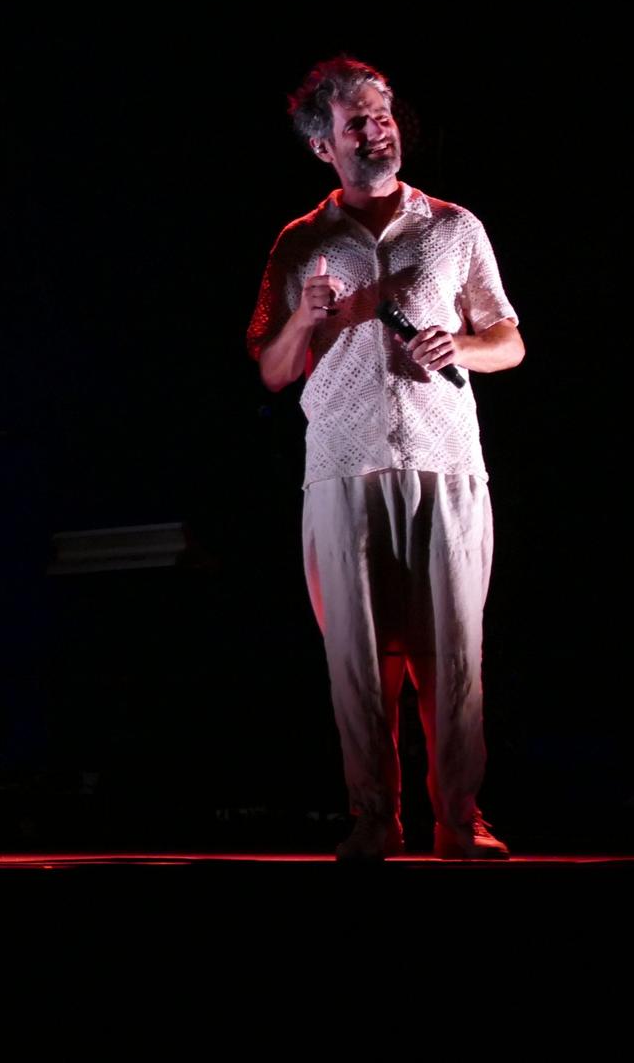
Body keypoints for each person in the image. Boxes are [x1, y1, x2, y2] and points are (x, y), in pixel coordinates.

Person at [247, 56, 524, 861]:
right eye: (356, 122)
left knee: (454, 650)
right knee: (358, 659)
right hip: (343, 463)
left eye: (381, 114)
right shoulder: (302, 241)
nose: (377, 130)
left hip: (444, 456)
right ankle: (375, 816)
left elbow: (510, 339)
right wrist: (304, 319)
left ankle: (459, 818)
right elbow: (270, 366)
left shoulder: (454, 226)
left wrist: (464, 345)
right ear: (323, 146)